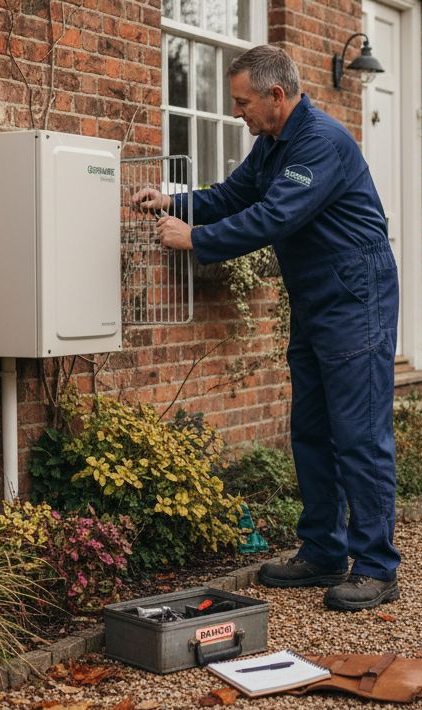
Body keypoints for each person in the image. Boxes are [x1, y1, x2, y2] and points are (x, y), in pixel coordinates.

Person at [133, 45, 400, 611]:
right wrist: (173, 199)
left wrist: (196, 240)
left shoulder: (320, 143)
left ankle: (376, 566)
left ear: (276, 96)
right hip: (313, 297)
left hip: (356, 296)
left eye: (242, 102)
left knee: (357, 432)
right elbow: (235, 196)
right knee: (309, 427)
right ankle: (324, 550)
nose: (236, 113)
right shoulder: (272, 144)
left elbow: (274, 216)